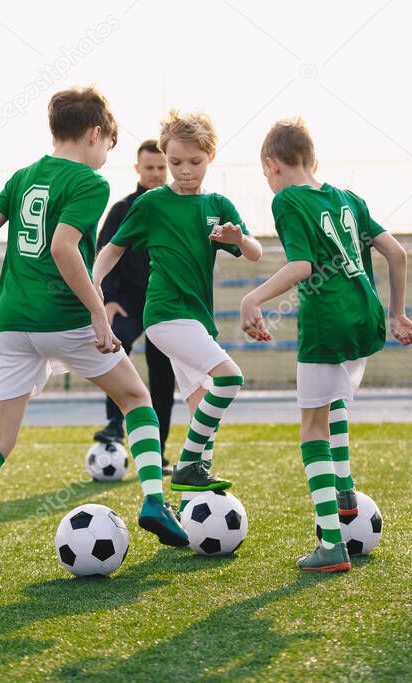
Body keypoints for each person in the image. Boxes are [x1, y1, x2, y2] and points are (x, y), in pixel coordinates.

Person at [0, 87, 187, 584]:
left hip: (10, 323)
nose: (106, 156)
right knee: (137, 397)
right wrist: (96, 312)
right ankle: (155, 501)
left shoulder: (24, 176)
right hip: (65, 319)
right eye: (108, 146)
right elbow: (65, 248)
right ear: (96, 134)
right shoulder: (89, 182)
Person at [240, 118, 412, 571]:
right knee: (334, 402)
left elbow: (301, 266)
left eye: (265, 174)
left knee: (311, 428)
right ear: (312, 159)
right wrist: (397, 313)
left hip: (329, 319)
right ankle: (344, 491)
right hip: (368, 315)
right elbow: (397, 252)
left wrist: (254, 297)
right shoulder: (348, 198)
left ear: (271, 164)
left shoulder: (287, 199)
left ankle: (331, 545)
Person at [92, 110, 262, 515]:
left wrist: (240, 238)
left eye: (195, 162)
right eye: (176, 162)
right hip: (165, 315)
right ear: (166, 157)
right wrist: (95, 285)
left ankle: (192, 505)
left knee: (200, 400)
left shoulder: (218, 204)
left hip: (197, 318)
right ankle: (188, 466)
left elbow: (253, 253)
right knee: (230, 378)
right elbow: (113, 247)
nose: (185, 171)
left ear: (211, 156)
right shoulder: (151, 204)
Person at [93, 139, 175, 475]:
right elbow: (103, 251)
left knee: (163, 374)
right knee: (116, 347)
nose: (155, 174)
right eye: (149, 168)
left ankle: (159, 450)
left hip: (162, 300)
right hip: (126, 299)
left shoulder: (176, 206)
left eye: (160, 168)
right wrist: (108, 299)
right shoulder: (122, 210)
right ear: (137, 169)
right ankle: (115, 423)